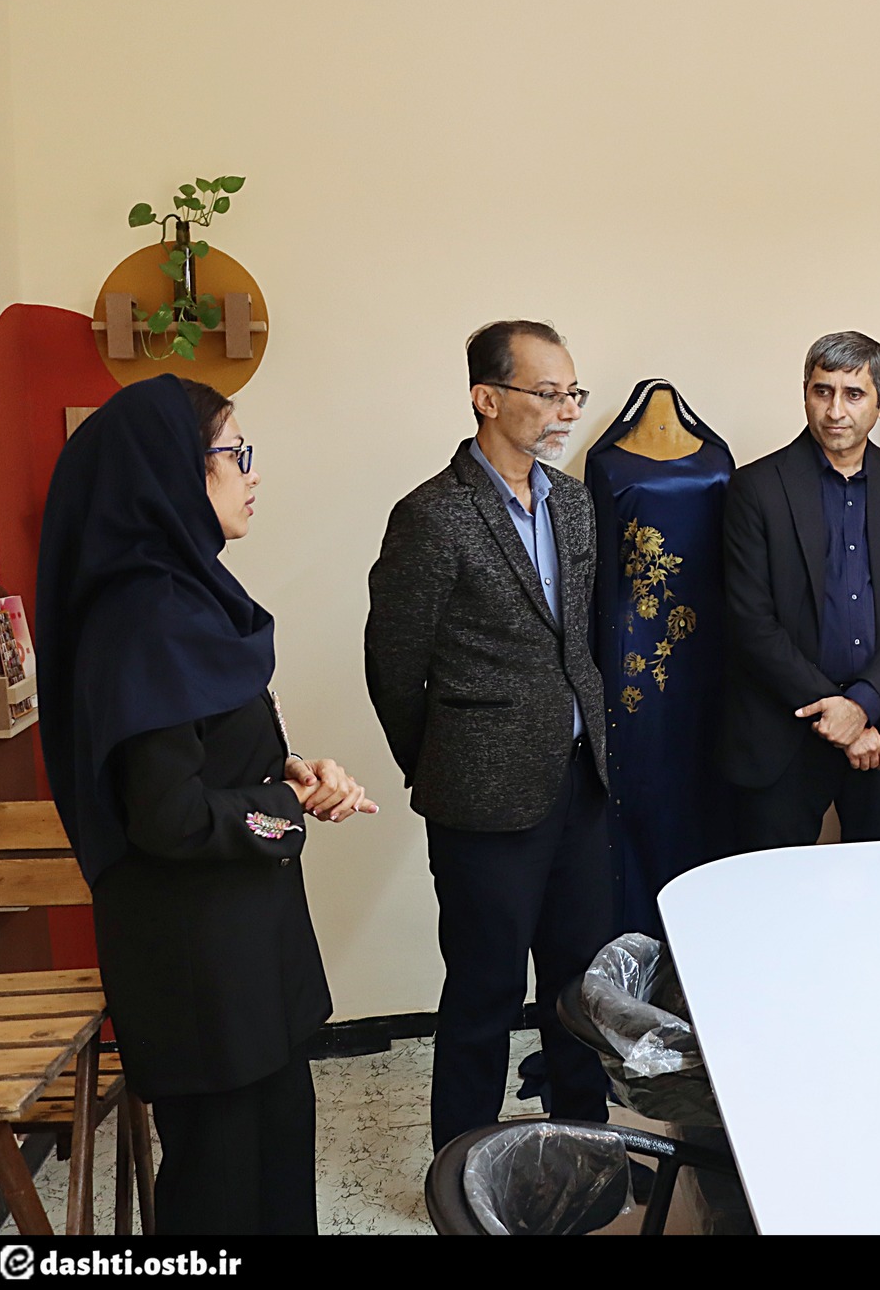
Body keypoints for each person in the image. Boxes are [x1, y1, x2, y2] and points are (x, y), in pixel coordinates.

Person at [37, 375, 375, 1234]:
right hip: (202, 974)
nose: (251, 472)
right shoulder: (145, 617)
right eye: (233, 451)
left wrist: (288, 767)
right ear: (169, 473)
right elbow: (170, 814)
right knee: (224, 1193)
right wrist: (284, 806)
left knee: (274, 1169)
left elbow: (206, 747)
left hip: (242, 957)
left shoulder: (182, 597)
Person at [365, 320, 614, 1151]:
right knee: (485, 990)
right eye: (549, 392)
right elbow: (393, 665)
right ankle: (463, 1171)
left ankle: (584, 1147)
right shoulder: (432, 515)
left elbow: (576, 638)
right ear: (487, 397)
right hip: (479, 799)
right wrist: (441, 765)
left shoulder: (573, 503)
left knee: (580, 986)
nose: (567, 409)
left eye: (573, 392)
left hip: (579, 783)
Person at [721, 331, 880, 848]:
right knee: (777, 887)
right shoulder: (756, 488)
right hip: (782, 728)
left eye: (853, 394)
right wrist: (839, 712)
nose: (835, 411)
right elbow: (750, 622)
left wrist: (862, 705)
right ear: (805, 393)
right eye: (822, 392)